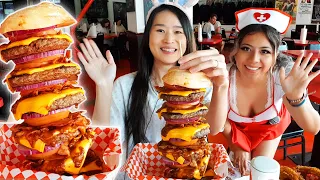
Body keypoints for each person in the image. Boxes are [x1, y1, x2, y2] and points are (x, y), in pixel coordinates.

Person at [77, 2, 229, 172]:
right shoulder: (125, 85)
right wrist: (104, 86)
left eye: (178, 31)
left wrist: (221, 85)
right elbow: (102, 143)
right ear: (148, 36)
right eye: (160, 30)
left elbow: (214, 128)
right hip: (139, 173)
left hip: (187, 171)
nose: (169, 39)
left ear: (187, 38)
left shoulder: (199, 84)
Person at [204, 8, 320, 176]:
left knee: (260, 174)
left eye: (264, 51)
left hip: (269, 130)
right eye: (246, 48)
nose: (253, 59)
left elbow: (314, 127)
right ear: (235, 50)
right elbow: (215, 127)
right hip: (233, 130)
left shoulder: (280, 77)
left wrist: (296, 97)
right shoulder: (224, 77)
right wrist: (237, 145)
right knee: (236, 175)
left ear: (275, 56)